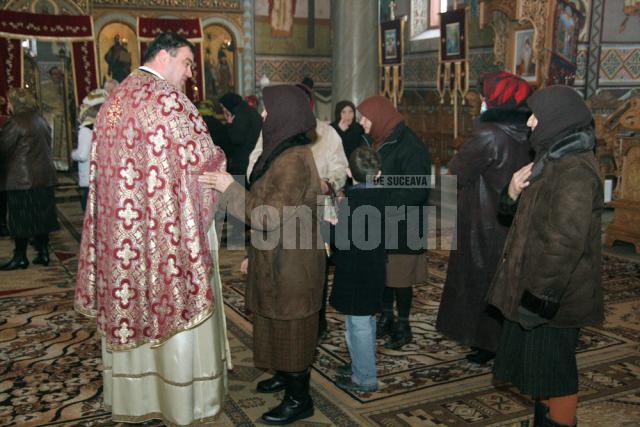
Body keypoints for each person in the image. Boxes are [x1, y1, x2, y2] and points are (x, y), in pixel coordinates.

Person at [74, 32, 230, 425]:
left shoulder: (115, 98)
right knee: (173, 298)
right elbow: (203, 164)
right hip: (168, 234)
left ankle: (134, 394)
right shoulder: (169, 101)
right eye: (188, 62)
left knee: (131, 300)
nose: (190, 73)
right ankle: (183, 399)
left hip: (121, 238)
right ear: (163, 56)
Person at [199, 84, 325, 425]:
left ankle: (300, 398)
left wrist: (229, 188)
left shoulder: (294, 161)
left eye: (268, 110)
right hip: (276, 256)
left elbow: (266, 215)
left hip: (294, 264)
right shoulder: (281, 152)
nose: (264, 115)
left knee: (292, 330)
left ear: (285, 115)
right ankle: (285, 377)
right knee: (273, 323)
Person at [487, 85, 604, 427]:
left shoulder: (575, 170)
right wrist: (511, 192)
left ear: (557, 118)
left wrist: (537, 299)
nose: (532, 122)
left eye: (537, 114)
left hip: (556, 298)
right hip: (538, 289)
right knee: (541, 372)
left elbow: (565, 243)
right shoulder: (551, 158)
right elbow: (520, 219)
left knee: (556, 373)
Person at [436, 72, 533, 364]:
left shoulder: (488, 133)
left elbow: (458, 169)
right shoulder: (531, 131)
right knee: (506, 279)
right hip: (515, 215)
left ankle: (485, 342)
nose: (481, 100)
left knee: (478, 280)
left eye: (485, 95)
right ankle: (499, 342)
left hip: (482, 220)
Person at [357, 95, 432, 350]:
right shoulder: (373, 140)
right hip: (379, 222)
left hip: (402, 224)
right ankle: (387, 316)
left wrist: (379, 195)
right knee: (384, 275)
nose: (362, 123)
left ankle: (404, 325)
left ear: (379, 116)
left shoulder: (410, 146)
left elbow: (416, 190)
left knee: (400, 278)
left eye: (365, 118)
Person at [326, 146, 386, 393]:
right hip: (375, 270)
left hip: (355, 274)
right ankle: (362, 366)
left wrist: (328, 226)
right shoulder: (385, 197)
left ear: (350, 172)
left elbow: (341, 242)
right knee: (366, 321)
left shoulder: (351, 202)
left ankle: (364, 377)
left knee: (357, 325)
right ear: (379, 173)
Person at [0, 88, 58, 270]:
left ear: (16, 102)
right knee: (41, 217)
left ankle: (20, 257)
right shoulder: (40, 119)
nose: (7, 105)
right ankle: (43, 254)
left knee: (21, 218)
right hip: (44, 176)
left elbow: (3, 148)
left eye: (9, 101)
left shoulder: (15, 122)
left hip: (22, 179)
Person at [72, 89, 107, 211]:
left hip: (89, 176)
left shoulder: (86, 130)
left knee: (89, 212)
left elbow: (82, 155)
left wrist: (72, 154)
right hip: (104, 176)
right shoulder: (107, 125)